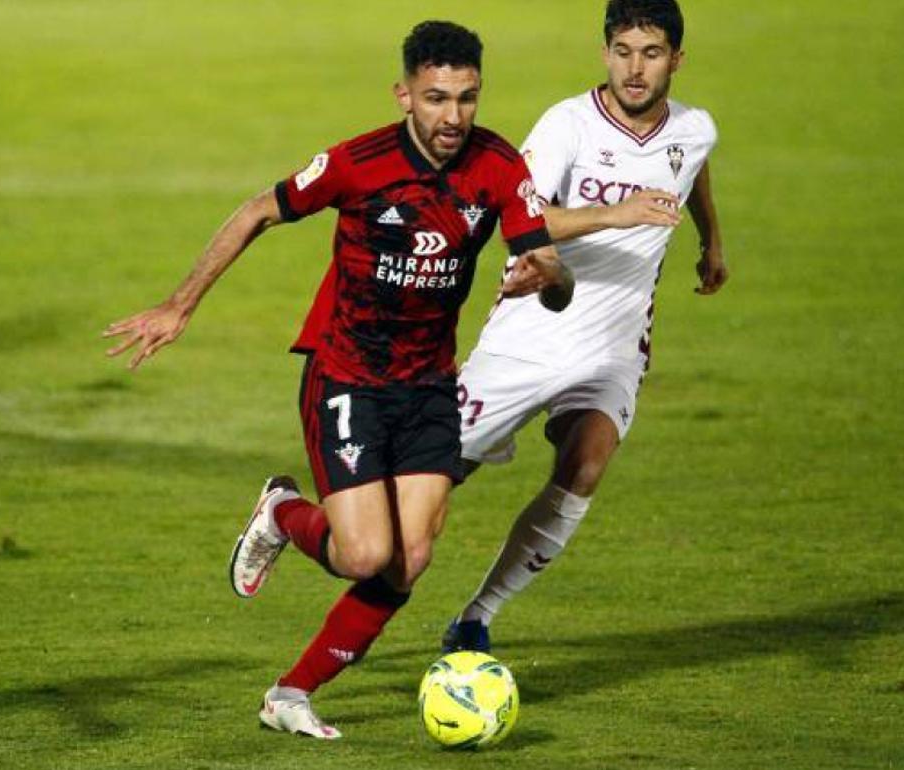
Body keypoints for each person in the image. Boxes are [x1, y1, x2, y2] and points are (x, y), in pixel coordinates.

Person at [105, 21, 573, 739]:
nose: (453, 117)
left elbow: (552, 274)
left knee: (408, 560)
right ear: (404, 95)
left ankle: (290, 692)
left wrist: (551, 276)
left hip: (427, 386)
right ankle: (283, 512)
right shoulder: (359, 162)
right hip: (347, 376)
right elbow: (261, 208)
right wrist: (180, 303)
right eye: (436, 98)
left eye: (467, 99)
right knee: (363, 554)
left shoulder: (501, 168)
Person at [441, 0, 728, 654]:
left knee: (586, 463)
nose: (635, 68)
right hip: (532, 332)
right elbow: (522, 211)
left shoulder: (695, 128)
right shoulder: (568, 124)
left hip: (613, 345)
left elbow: (692, 166)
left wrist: (711, 244)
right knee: (426, 482)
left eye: (651, 54)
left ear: (676, 60)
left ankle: (476, 618)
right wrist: (618, 213)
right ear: (605, 52)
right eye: (623, 51)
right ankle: (297, 519)